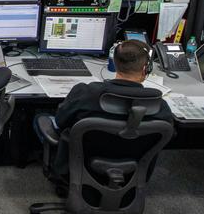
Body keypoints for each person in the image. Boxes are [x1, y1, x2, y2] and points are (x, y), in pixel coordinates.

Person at [39, 40, 174, 182]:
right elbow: (167, 136)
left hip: (80, 164)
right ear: (146, 69)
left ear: (114, 63)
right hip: (132, 171)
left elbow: (60, 121)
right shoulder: (159, 105)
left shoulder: (86, 93)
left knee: (41, 118)